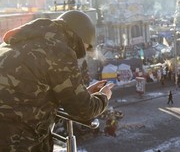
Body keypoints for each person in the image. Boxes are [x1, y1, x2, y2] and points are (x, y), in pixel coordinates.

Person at [0, 10, 114, 151]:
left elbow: (33, 90)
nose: (85, 51)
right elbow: (83, 110)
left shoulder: (19, 41)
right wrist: (103, 97)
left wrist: (83, 94)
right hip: (18, 142)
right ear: (81, 38)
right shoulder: (60, 50)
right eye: (87, 47)